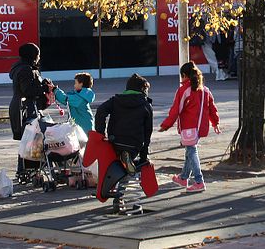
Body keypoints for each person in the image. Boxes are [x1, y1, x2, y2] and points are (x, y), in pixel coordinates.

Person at [94, 73, 153, 214]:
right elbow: (148, 132)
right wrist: (144, 155)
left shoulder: (116, 100)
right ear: (143, 90)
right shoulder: (145, 105)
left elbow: (101, 111)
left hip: (116, 140)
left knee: (122, 166)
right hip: (134, 143)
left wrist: (101, 133)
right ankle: (126, 200)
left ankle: (118, 195)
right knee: (131, 170)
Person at [159, 62, 221, 192]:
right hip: (201, 127)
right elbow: (212, 109)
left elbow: (176, 110)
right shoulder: (205, 90)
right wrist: (215, 123)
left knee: (192, 151)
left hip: (189, 128)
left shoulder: (184, 90)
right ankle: (183, 177)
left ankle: (199, 181)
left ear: (184, 75)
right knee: (189, 151)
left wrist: (166, 125)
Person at [9, 42, 51, 173]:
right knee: (30, 139)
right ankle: (24, 170)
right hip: (25, 109)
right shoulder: (25, 69)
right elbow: (28, 90)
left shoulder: (24, 68)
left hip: (25, 107)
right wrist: (44, 88)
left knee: (30, 139)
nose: (39, 57)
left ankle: (29, 169)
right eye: (37, 55)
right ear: (32, 55)